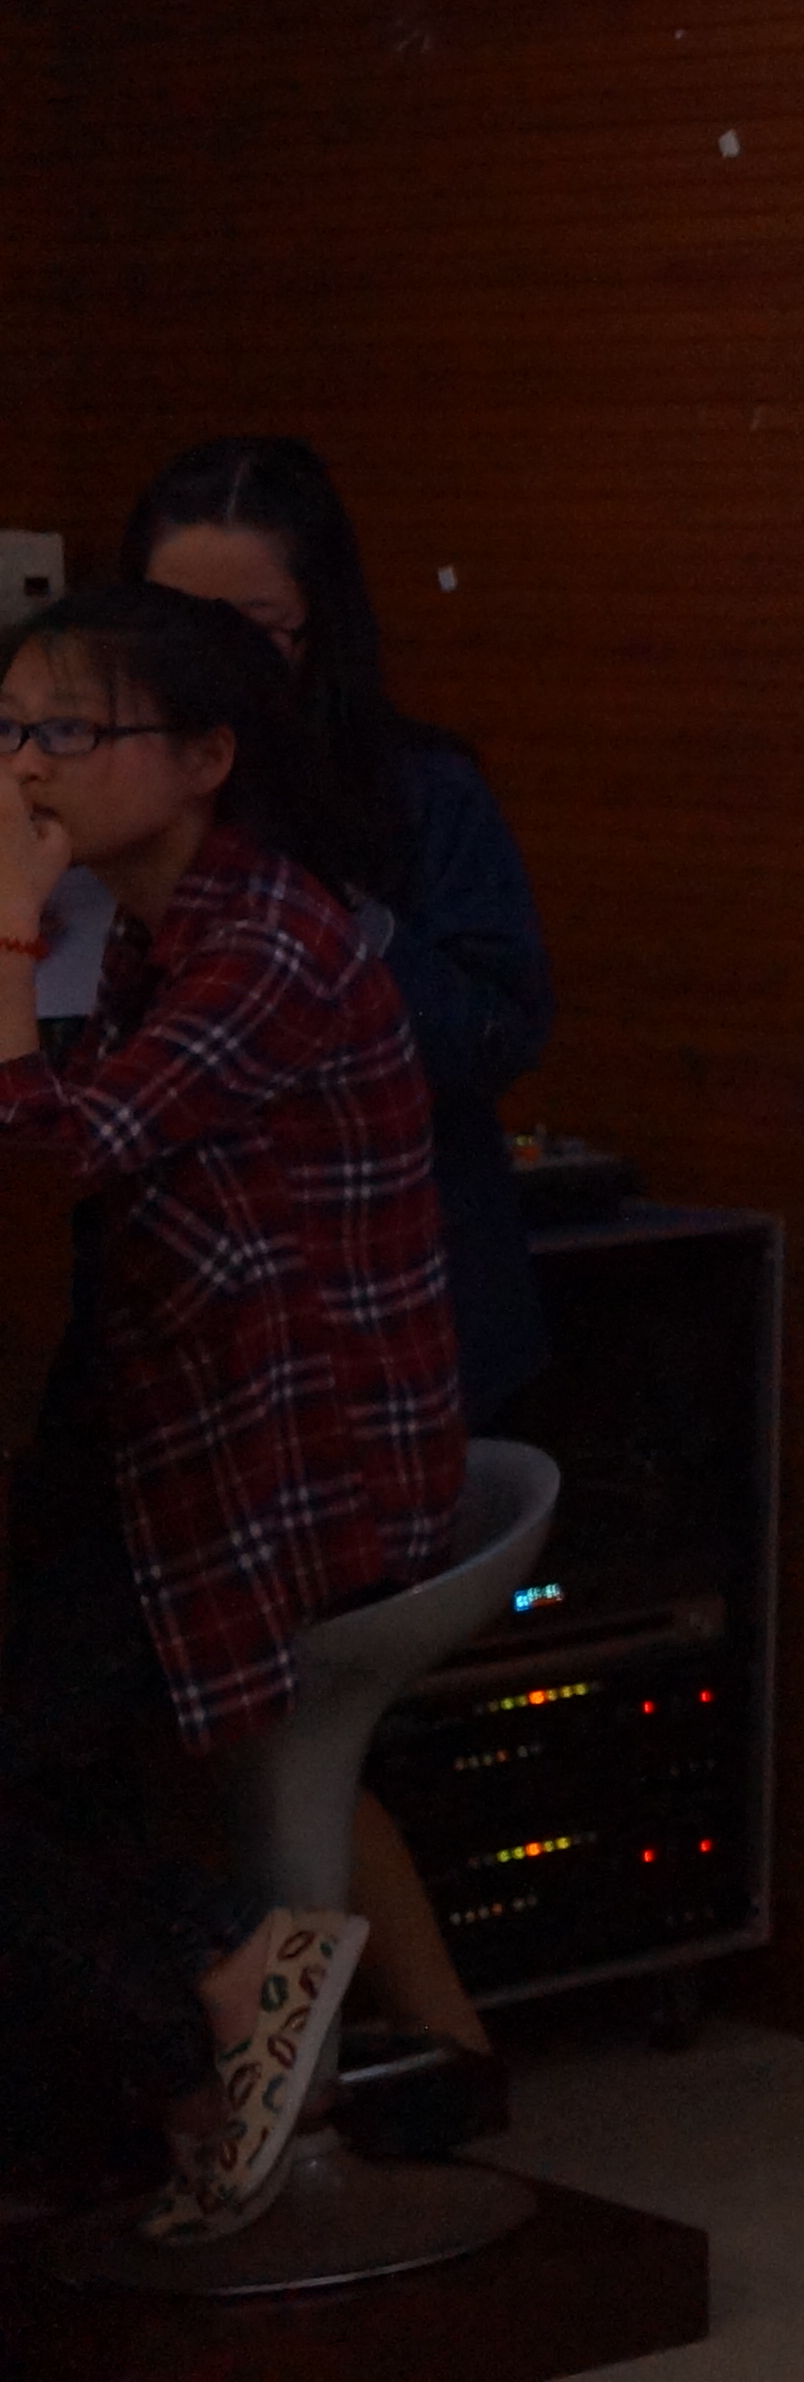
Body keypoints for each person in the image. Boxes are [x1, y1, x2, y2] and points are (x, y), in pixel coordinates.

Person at [0, 584, 461, 2242]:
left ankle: (222, 1986)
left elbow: (56, 1152)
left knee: (25, 1762)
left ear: (205, 758)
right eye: (9, 730)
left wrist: (5, 926)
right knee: (43, 1747)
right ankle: (158, 2085)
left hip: (285, 1461)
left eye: (70, 730)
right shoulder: (147, 928)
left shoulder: (268, 938)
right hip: (166, 1420)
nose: (28, 767)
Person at [121, 437, 550, 2132]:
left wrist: (322, 934)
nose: (207, 668)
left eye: (254, 630)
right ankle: (410, 2056)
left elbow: (499, 1024)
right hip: (181, 1341)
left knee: (243, 1707)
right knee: (201, 1716)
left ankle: (298, 2062)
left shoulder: (406, 799)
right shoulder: (105, 801)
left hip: (363, 1349)